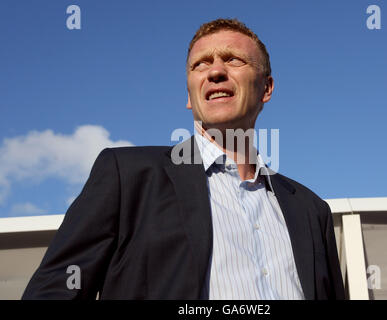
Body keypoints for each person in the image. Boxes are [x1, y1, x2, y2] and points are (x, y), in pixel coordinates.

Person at [22, 18, 345, 300]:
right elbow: (56, 288)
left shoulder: (310, 209)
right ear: (190, 96)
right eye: (200, 64)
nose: (216, 71)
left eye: (233, 60)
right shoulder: (129, 176)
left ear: (266, 88)